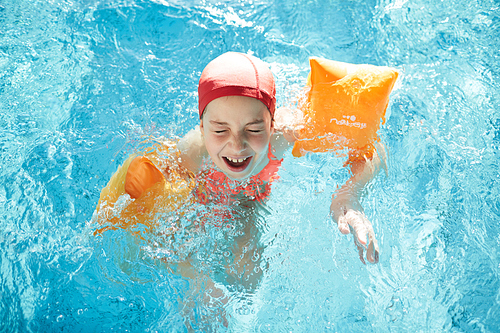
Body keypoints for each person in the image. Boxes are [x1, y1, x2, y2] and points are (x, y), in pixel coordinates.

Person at [121, 51, 381, 264]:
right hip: (205, 193)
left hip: (253, 197)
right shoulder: (191, 152)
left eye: (254, 130)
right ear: (202, 128)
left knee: (249, 274)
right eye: (220, 130)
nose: (236, 145)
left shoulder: (285, 134)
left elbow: (373, 148)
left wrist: (348, 194)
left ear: (272, 124)